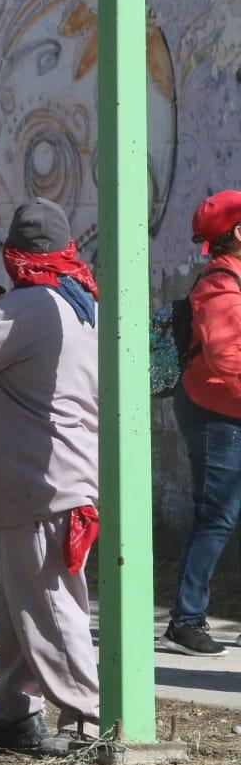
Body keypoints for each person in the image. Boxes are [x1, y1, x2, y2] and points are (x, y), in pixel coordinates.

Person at [0, 198, 101, 754]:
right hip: (48, 478)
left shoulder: (32, 307)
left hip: (39, 483)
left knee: (51, 606)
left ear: (18, 257)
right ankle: (14, 713)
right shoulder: (76, 302)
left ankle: (86, 718)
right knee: (20, 601)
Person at [160, 190, 241, 657]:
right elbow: (227, 358)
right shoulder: (219, 285)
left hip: (230, 408)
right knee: (215, 516)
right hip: (215, 414)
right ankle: (185, 623)